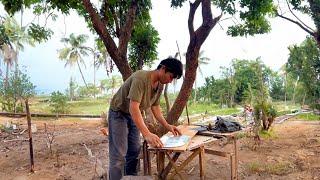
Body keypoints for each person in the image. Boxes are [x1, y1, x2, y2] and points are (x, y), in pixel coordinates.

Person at [108, 57, 183, 180]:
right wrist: (147, 133)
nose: (170, 81)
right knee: (118, 156)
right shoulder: (141, 78)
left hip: (133, 115)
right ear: (163, 68)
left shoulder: (159, 86)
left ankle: (130, 177)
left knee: (134, 152)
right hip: (118, 113)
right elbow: (133, 107)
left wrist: (168, 126)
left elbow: (156, 107)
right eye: (171, 76)